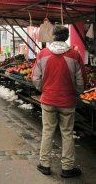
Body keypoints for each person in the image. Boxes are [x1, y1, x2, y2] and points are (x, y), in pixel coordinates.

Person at [32, 25, 86, 178]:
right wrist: (75, 92)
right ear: (66, 36)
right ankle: (67, 168)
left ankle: (44, 164)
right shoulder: (75, 55)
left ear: (53, 37)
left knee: (47, 132)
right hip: (67, 101)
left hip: (48, 100)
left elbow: (35, 78)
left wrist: (44, 89)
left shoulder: (42, 54)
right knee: (67, 133)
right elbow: (81, 81)